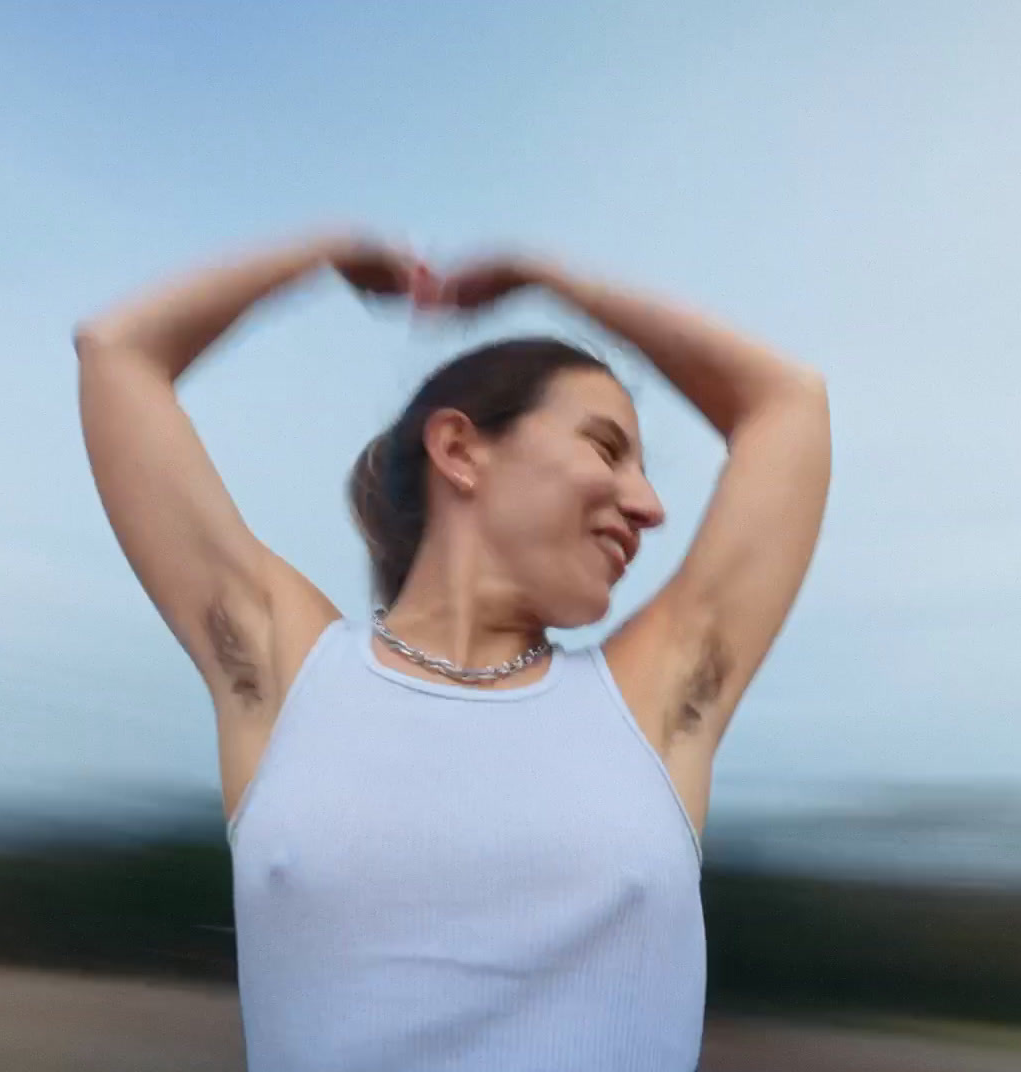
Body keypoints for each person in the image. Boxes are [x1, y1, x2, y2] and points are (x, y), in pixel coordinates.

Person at [73, 234, 831, 1071]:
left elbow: (788, 404)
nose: (650, 506)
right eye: (607, 448)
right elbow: (118, 352)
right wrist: (319, 256)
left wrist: (558, 278)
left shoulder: (658, 700)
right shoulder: (288, 676)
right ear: (462, 451)